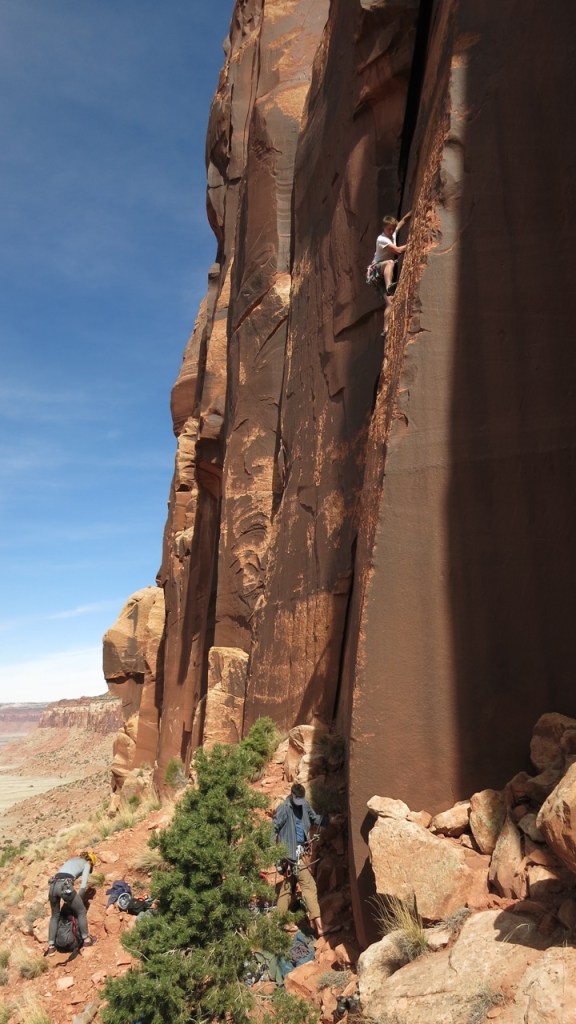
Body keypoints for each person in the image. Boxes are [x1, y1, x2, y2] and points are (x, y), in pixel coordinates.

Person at [273, 783, 331, 937]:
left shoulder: (304, 805)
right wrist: (274, 851)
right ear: (292, 796)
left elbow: (314, 818)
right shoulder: (284, 809)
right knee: (309, 886)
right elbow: (274, 828)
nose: (300, 802)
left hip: (299, 851)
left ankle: (279, 921)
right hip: (290, 855)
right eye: (297, 800)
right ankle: (320, 926)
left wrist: (328, 820)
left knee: (288, 886)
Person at [45, 849, 97, 956]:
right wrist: (79, 901)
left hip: (53, 885)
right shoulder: (87, 864)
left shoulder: (71, 860)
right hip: (64, 886)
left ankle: (51, 947)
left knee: (55, 916)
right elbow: (83, 887)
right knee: (81, 911)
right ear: (91, 861)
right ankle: (86, 939)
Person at [372, 210, 412, 295]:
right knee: (390, 263)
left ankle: (389, 290)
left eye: (393, 229)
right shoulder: (382, 239)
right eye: (389, 229)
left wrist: (413, 211)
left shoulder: (392, 233)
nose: (391, 231)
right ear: (384, 228)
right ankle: (389, 287)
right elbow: (398, 250)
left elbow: (403, 220)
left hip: (385, 272)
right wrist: (412, 243)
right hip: (377, 270)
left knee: (390, 303)